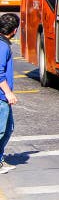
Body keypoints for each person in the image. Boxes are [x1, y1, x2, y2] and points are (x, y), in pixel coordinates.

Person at [0, 13, 20, 174]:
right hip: (1, 97)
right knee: (2, 130)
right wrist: (8, 93)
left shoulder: (3, 44)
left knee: (8, 128)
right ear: (14, 30)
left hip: (3, 97)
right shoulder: (3, 46)